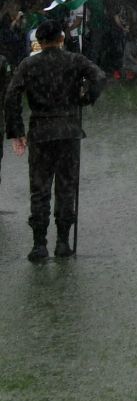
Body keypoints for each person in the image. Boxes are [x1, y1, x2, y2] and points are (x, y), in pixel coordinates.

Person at [5, 21, 107, 261]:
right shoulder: (75, 61)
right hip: (69, 130)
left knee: (39, 190)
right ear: (61, 38)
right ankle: (63, 242)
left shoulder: (28, 64)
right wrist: (85, 98)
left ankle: (39, 244)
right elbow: (100, 77)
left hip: (41, 132)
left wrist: (17, 130)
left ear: (40, 42)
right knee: (66, 188)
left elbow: (11, 96)